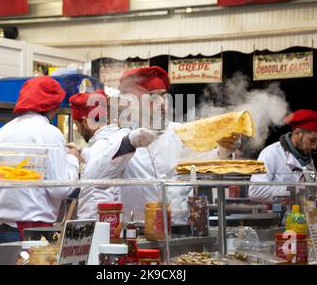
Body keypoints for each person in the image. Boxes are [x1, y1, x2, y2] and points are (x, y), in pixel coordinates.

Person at [82, 66, 240, 223]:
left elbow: (197, 168)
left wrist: (223, 151)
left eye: (163, 96)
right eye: (151, 97)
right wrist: (129, 143)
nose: (162, 103)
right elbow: (94, 176)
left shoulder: (179, 132)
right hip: (138, 234)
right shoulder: (118, 138)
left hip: (180, 230)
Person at [0, 76, 81, 243]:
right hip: (30, 232)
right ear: (53, 107)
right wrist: (72, 158)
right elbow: (59, 189)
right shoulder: (49, 133)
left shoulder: (2, 133)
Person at [71, 89, 158, 219]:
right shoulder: (115, 138)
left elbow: (97, 175)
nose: (78, 131)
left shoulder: (114, 142)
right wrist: (81, 151)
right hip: (142, 223)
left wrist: (130, 141)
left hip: (111, 229)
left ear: (85, 122)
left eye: (77, 125)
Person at [249, 109, 317, 203]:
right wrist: (292, 190)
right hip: (274, 215)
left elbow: (309, 191)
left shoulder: (306, 158)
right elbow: (255, 192)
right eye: (312, 140)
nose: (315, 146)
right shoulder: (271, 153)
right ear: (297, 134)